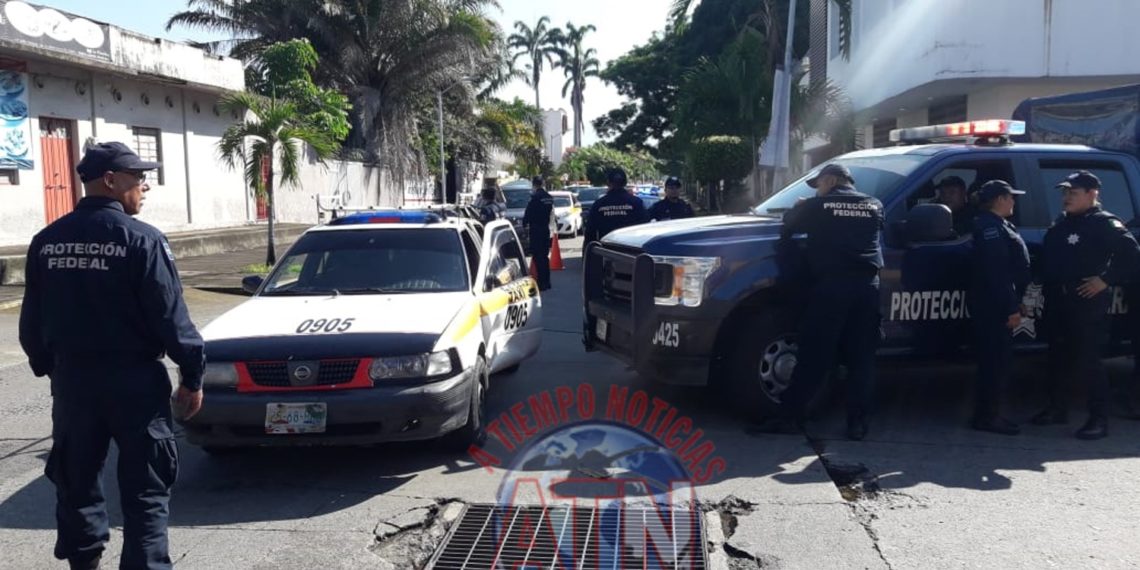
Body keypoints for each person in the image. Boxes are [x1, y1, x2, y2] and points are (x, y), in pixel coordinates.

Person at [18, 142, 205, 570]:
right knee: (146, 492)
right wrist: (192, 378)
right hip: (135, 384)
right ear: (110, 181)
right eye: (138, 178)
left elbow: (32, 322)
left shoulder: (46, 241)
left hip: (74, 384)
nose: (145, 186)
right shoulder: (143, 240)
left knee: (77, 484)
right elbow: (171, 319)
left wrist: (53, 369)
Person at [769, 163, 884, 441]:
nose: (818, 190)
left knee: (814, 354)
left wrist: (801, 206)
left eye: (819, 185)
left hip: (833, 287)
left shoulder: (817, 206)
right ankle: (857, 424)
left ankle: (789, 418)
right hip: (868, 288)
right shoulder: (874, 204)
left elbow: (788, 225)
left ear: (830, 180)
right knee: (862, 358)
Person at [1033, 170, 1140, 440]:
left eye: (1073, 193)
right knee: (1057, 356)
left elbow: (1131, 255)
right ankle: (1057, 409)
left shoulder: (1104, 223)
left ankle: (1098, 419)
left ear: (1092, 194)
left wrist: (1105, 280)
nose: (1066, 197)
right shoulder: (1063, 222)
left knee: (1088, 360)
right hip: (1059, 298)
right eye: (1065, 192)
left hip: (1086, 300)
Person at [968, 180, 1030, 435]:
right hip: (993, 307)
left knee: (995, 361)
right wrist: (1011, 308)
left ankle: (987, 414)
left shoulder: (997, 225)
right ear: (1000, 199)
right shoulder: (990, 229)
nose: (1014, 201)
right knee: (995, 363)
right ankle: (988, 416)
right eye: (1011, 197)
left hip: (993, 303)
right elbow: (998, 274)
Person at [583, 167, 649, 245]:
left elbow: (590, 235)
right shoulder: (637, 203)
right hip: (631, 251)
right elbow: (645, 229)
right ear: (625, 183)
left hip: (606, 251)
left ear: (608, 183)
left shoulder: (599, 204)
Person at [523, 175, 555, 291]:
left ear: (534, 184)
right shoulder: (549, 197)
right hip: (545, 229)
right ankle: (547, 281)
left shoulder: (535, 198)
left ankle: (541, 283)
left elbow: (528, 214)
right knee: (545, 256)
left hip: (536, 230)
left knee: (537, 256)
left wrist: (524, 223)